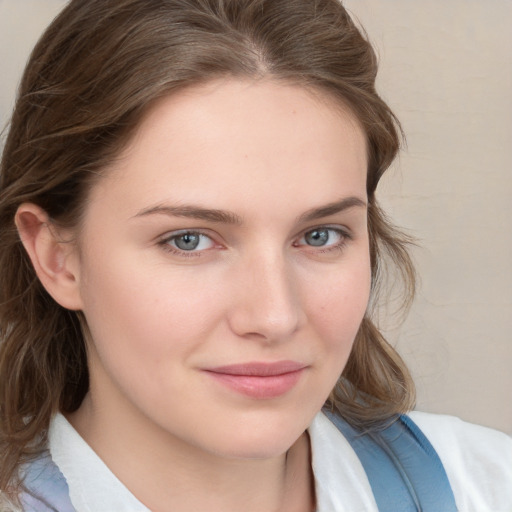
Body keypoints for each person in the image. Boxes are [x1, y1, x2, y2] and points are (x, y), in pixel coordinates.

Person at [0, 0, 510, 511]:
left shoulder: (487, 489)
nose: (275, 316)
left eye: (320, 236)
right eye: (189, 240)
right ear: (56, 257)